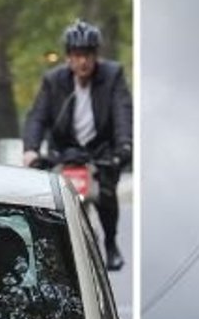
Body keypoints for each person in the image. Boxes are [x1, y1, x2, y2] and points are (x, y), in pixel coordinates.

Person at [22, 20, 134, 271]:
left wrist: (124, 146)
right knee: (51, 201)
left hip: (100, 153)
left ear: (96, 56)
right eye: (76, 55)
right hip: (64, 152)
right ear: (68, 57)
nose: (82, 62)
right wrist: (30, 149)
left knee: (106, 194)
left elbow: (122, 113)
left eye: (88, 55)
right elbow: (37, 116)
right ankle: (50, 249)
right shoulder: (53, 81)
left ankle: (111, 243)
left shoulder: (113, 76)